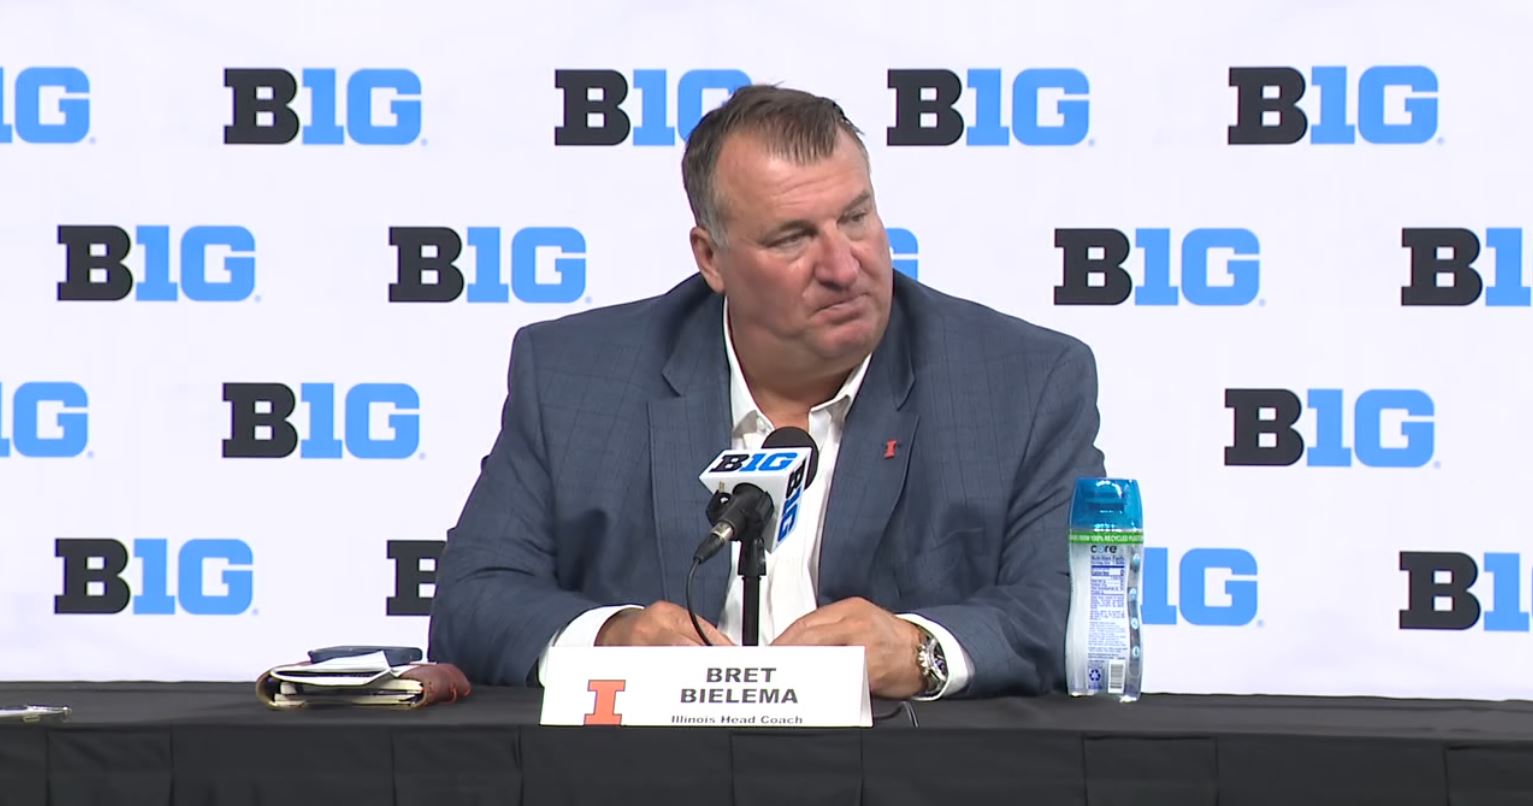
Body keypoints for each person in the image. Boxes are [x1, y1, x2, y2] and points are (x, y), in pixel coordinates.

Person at [427, 85, 1107, 700]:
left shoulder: (1021, 382)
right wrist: (610, 639)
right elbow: (474, 601)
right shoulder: (575, 376)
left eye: (856, 218)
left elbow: (1061, 607)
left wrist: (921, 650)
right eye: (792, 239)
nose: (844, 266)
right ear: (711, 258)